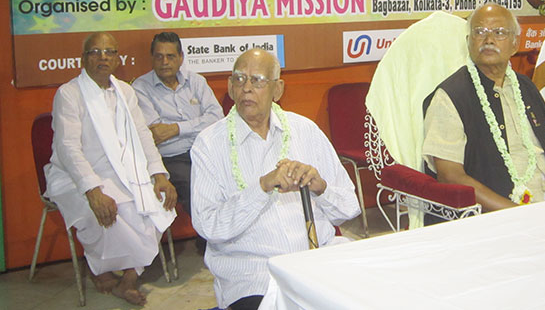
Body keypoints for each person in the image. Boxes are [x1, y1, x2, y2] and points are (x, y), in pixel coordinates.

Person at [190, 48, 360, 310]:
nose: (247, 88)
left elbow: (349, 208)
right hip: (254, 275)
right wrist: (262, 187)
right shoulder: (209, 144)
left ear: (277, 89)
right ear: (230, 87)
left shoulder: (305, 130)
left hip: (317, 258)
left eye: (257, 80)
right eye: (239, 79)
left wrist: (320, 187)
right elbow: (208, 226)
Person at [45, 32, 177, 306]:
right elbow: (68, 148)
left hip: (125, 172)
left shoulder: (125, 92)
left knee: (159, 205)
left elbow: (142, 135)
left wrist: (159, 175)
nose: (102, 57)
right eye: (95, 52)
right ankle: (101, 268)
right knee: (117, 211)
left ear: (118, 59)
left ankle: (128, 277)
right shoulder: (69, 94)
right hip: (77, 176)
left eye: (109, 52)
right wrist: (92, 190)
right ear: (83, 59)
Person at [422, 4, 545, 215]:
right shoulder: (451, 96)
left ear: (515, 44)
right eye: (479, 32)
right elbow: (450, 175)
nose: (489, 40)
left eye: (499, 32)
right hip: (493, 219)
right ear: (468, 42)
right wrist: (517, 214)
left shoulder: (526, 87)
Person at [133, 32, 223, 217]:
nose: (164, 62)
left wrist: (176, 129)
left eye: (170, 56)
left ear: (181, 58)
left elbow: (217, 117)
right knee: (196, 189)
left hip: (206, 151)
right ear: (152, 58)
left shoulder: (196, 81)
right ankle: (210, 233)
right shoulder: (140, 88)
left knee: (232, 179)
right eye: (159, 56)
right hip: (173, 158)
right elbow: (157, 134)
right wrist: (197, 125)